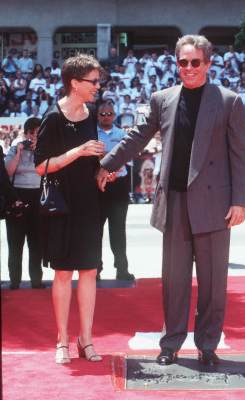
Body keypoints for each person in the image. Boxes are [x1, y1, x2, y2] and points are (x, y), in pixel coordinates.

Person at [97, 34, 245, 366]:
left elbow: (241, 155)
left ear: (208, 64)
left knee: (213, 283)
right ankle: (171, 344)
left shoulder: (229, 101)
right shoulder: (161, 98)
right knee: (174, 282)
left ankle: (207, 344)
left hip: (215, 206)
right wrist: (108, 163)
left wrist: (241, 201)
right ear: (176, 64)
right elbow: (138, 136)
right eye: (183, 62)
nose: (189, 68)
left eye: (196, 62)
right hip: (175, 203)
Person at [34, 54, 107, 364]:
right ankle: (62, 340)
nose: (98, 86)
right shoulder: (52, 118)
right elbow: (41, 167)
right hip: (62, 205)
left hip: (90, 203)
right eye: (93, 81)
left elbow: (91, 161)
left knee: (89, 271)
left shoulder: (91, 115)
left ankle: (86, 340)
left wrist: (103, 170)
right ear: (75, 84)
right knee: (63, 273)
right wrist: (77, 151)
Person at [97, 102, 135, 281]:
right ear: (97, 115)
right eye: (102, 114)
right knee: (95, 230)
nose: (106, 116)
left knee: (118, 230)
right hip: (97, 186)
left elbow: (126, 157)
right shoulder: (91, 135)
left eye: (109, 113)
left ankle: (122, 268)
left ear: (114, 115)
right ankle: (94, 268)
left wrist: (110, 166)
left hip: (118, 184)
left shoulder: (121, 134)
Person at [4, 117, 44, 290]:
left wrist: (38, 151)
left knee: (37, 241)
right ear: (26, 133)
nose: (34, 138)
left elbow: (47, 170)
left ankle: (36, 280)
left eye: (38, 134)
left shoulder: (44, 149)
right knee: (15, 242)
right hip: (17, 196)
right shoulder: (14, 148)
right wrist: (19, 153)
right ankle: (14, 280)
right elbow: (7, 172)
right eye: (32, 134)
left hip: (37, 195)